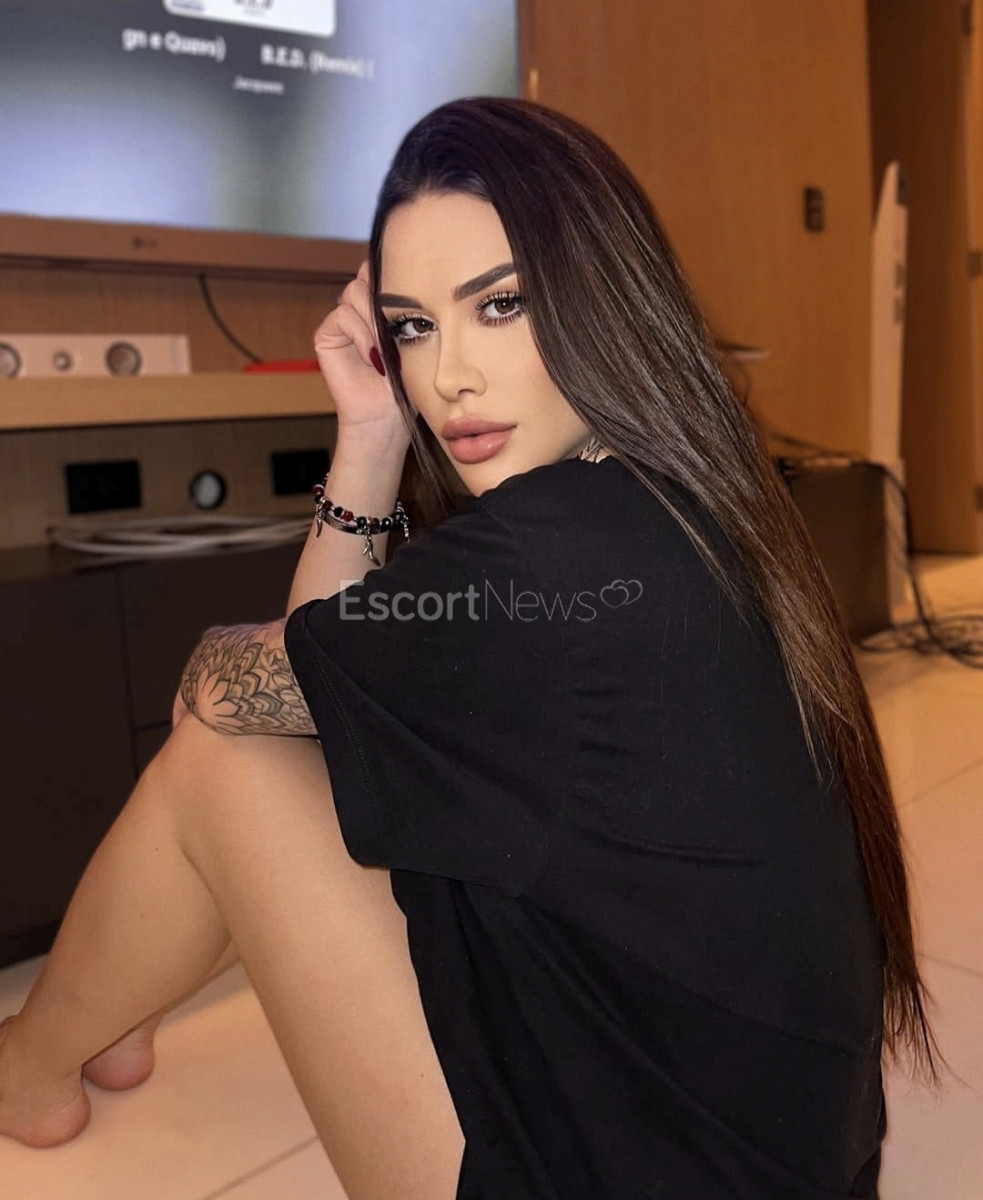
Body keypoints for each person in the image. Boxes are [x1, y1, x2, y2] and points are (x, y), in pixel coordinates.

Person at [0, 97, 936, 1199]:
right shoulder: (690, 496)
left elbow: (232, 691)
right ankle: (103, 1021)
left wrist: (363, 447)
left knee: (222, 756)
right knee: (298, 727)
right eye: (411, 327)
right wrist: (376, 427)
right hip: (786, 1165)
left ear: (603, 293)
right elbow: (336, 674)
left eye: (499, 305)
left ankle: (30, 1066)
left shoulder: (541, 563)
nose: (445, 377)